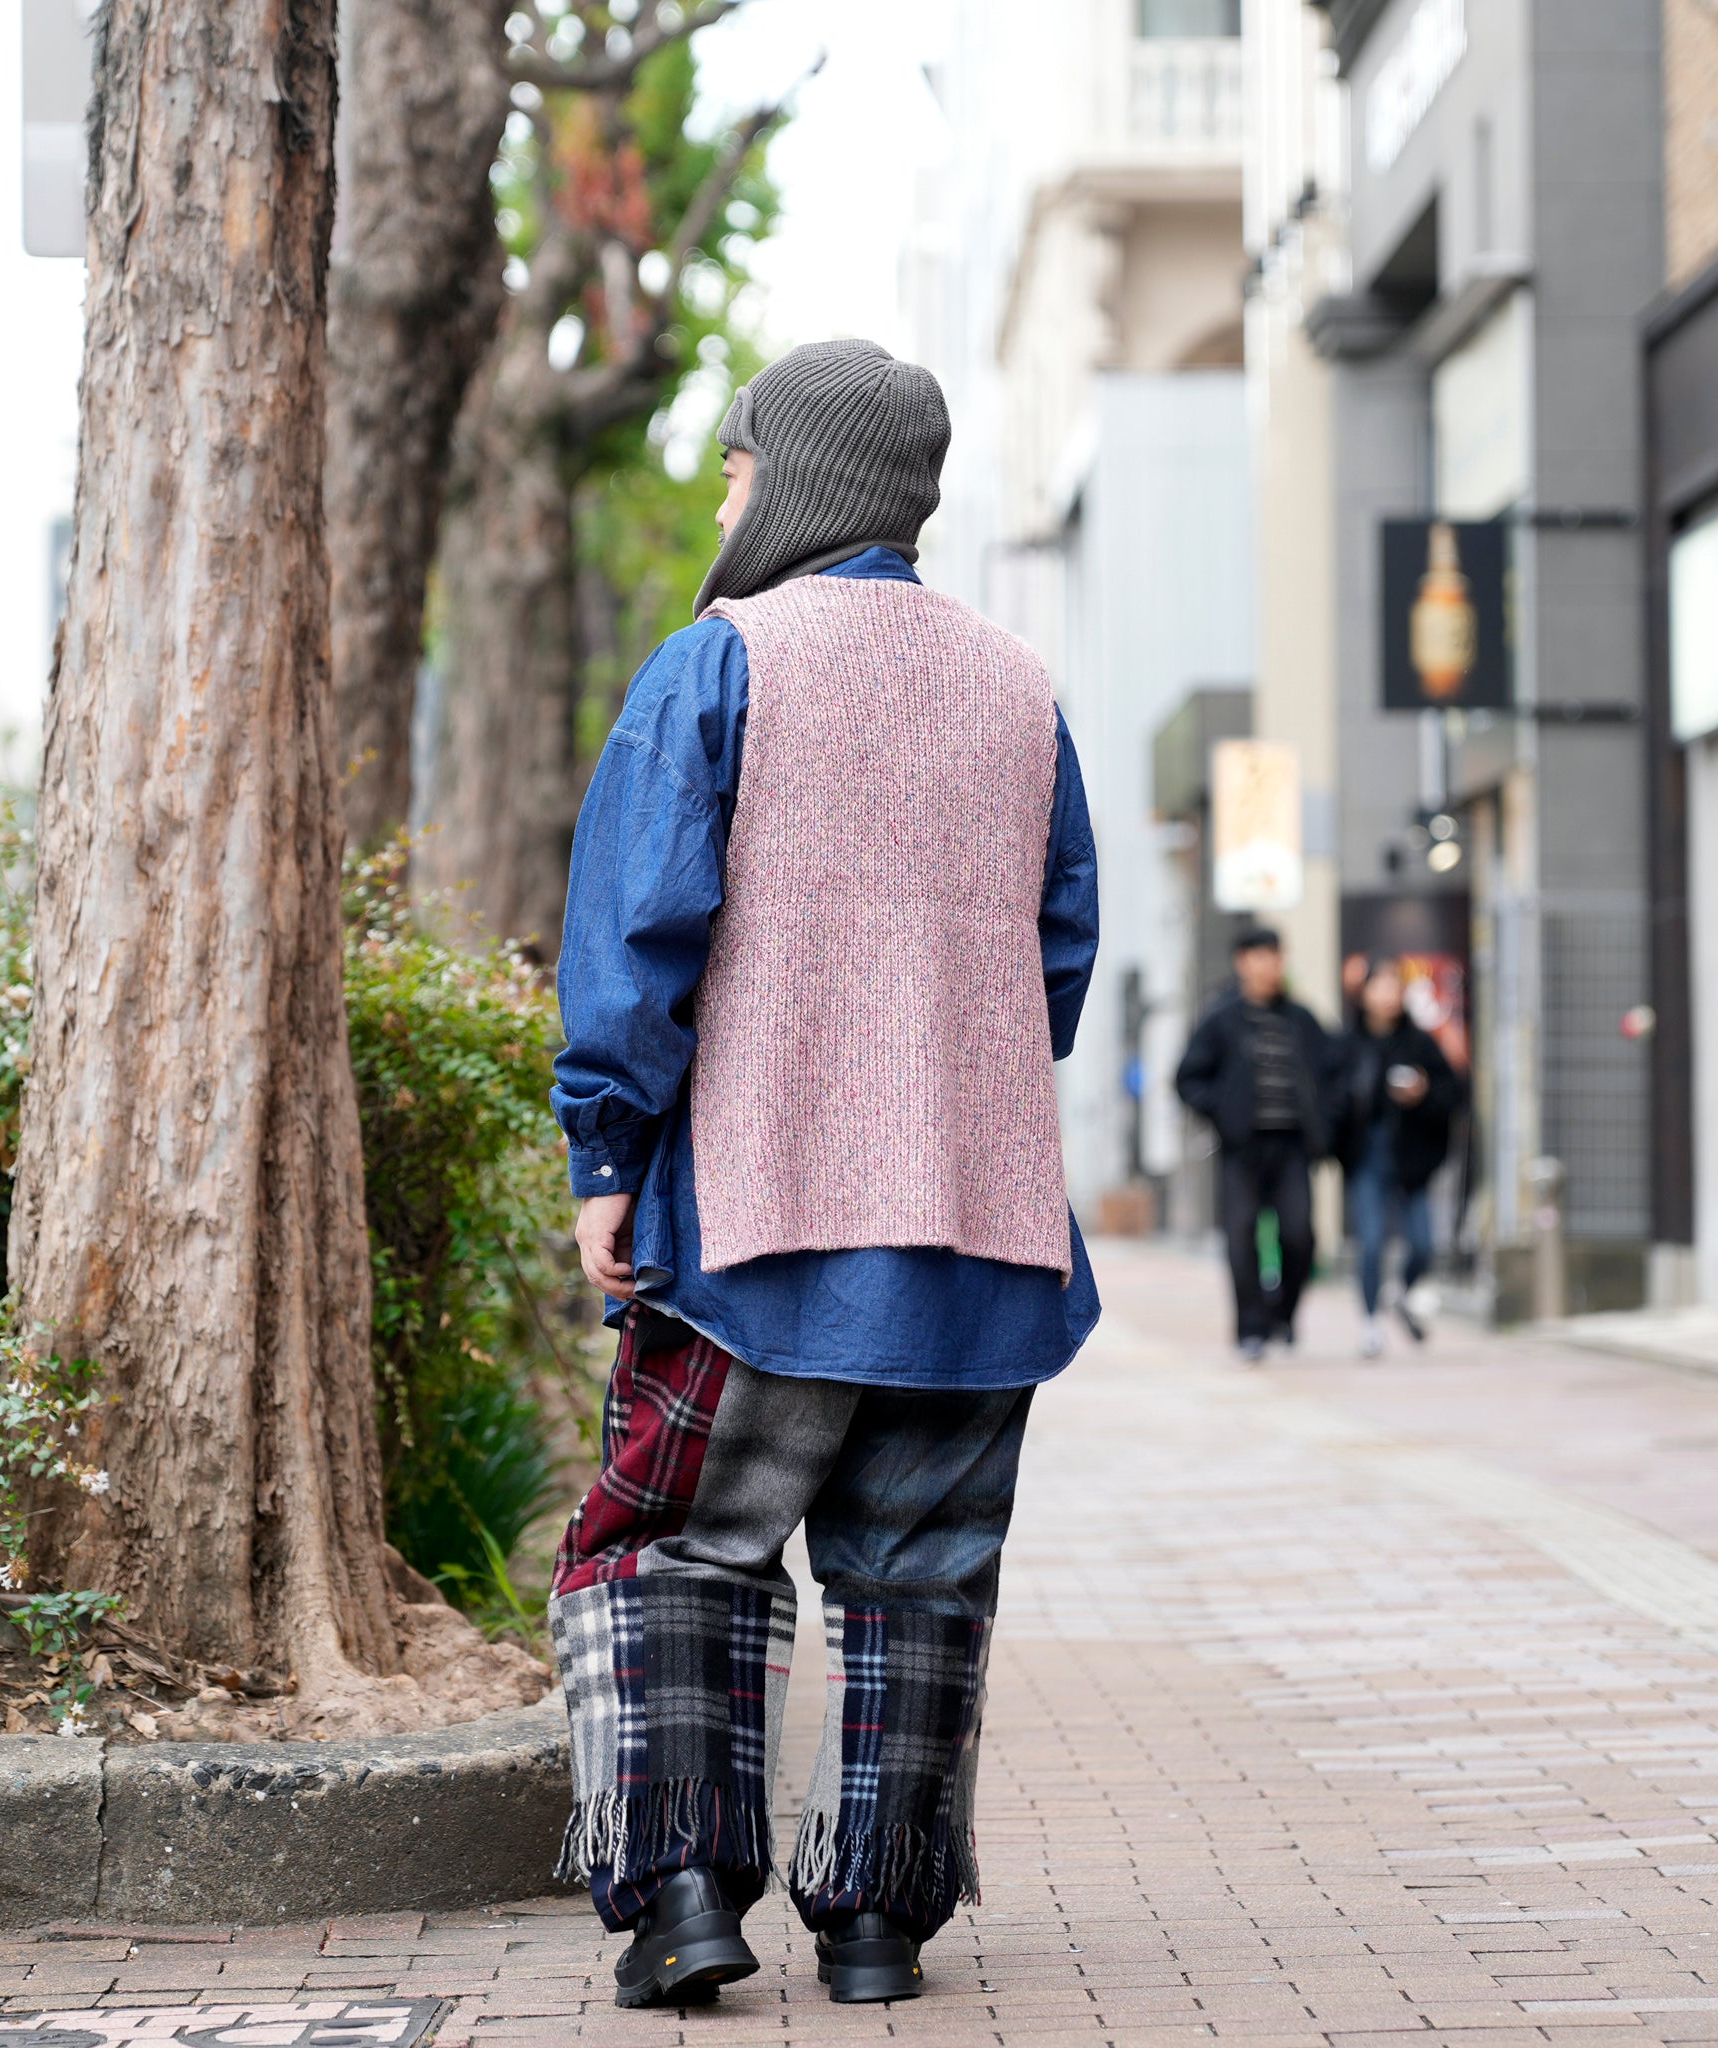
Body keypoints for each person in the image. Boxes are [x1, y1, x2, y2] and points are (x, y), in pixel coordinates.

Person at [546, 338, 1100, 2012]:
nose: (722, 502)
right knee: (918, 1580)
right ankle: (875, 1924)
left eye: (734, 470)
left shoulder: (718, 665)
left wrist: (604, 1146)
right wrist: (947, 1083)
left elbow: (639, 932)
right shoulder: (1018, 685)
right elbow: (1058, 951)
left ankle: (682, 1899)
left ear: (797, 481)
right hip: (977, 1235)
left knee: (667, 1548)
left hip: (756, 1217)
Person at [1174, 927, 1337, 1360]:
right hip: (1241, 1149)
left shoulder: (1302, 1020)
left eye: (1275, 955)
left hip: (1292, 1148)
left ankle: (1282, 1313)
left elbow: (1332, 1073)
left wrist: (1326, 1123)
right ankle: (1250, 1328)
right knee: (1241, 1236)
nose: (1269, 965)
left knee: (1300, 1236)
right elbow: (1188, 1078)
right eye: (1260, 956)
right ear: (1242, 962)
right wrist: (1223, 1112)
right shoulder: (1221, 1020)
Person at [1338, 958, 1461, 1357]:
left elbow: (1454, 1094)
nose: (1387, 995)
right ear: (1364, 993)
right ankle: (1370, 1323)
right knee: (1371, 1242)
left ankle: (1402, 1293)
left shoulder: (1420, 1042)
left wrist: (1422, 1093)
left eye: (1394, 986)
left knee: (1424, 1244)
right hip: (1366, 1157)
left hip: (1413, 1159)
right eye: (1380, 986)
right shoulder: (1348, 1044)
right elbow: (1333, 1099)